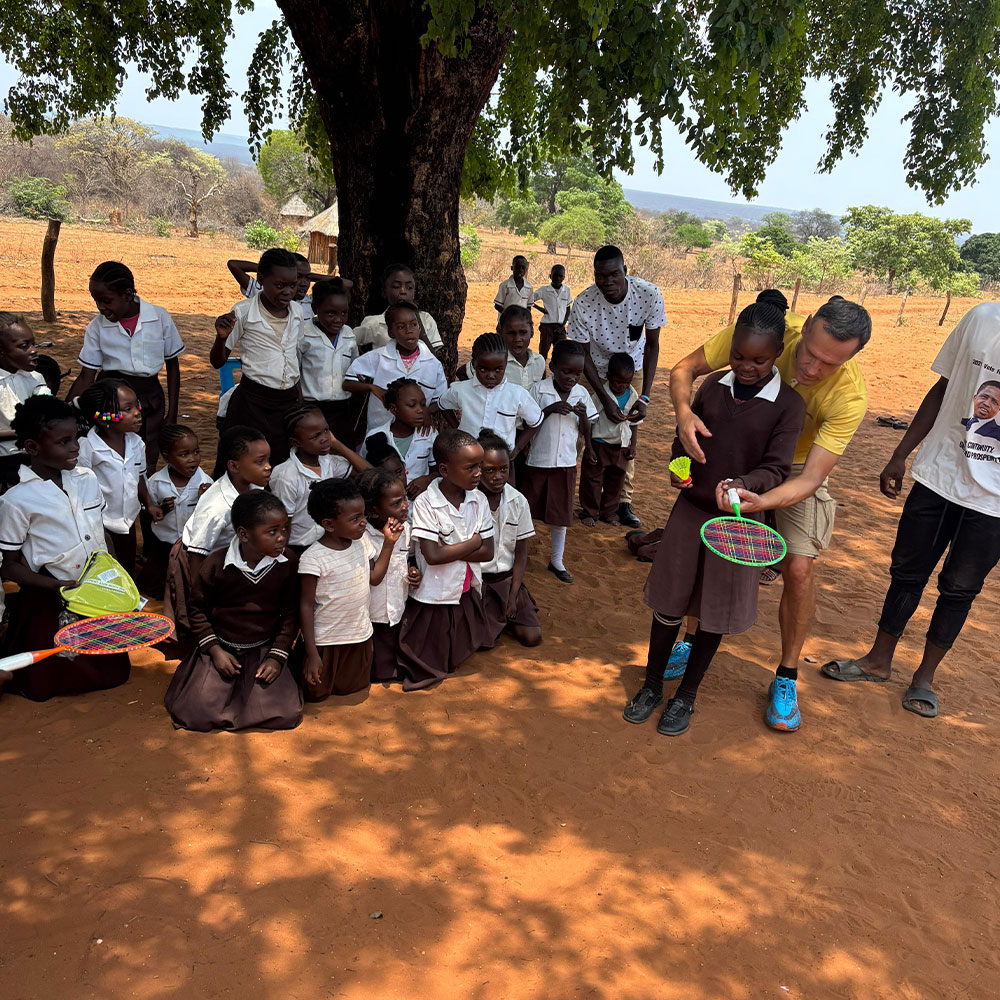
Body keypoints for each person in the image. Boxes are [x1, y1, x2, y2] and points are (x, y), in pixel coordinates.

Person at [671, 295, 871, 731]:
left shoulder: (850, 397)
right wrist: (684, 413)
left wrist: (763, 501)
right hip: (738, 450)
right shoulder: (768, 332)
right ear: (807, 326)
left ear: (852, 357)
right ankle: (689, 639)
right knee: (709, 540)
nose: (812, 370)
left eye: (829, 365)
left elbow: (810, 479)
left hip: (794, 468)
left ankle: (786, 674)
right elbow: (683, 370)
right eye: (810, 355)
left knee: (798, 569)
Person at [623, 302, 805, 734]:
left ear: (777, 352)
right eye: (739, 356)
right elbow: (683, 440)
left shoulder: (788, 406)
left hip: (738, 525)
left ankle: (686, 697)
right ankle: (651, 685)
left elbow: (777, 469)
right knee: (668, 606)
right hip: (690, 513)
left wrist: (743, 484)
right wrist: (678, 469)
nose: (746, 366)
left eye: (759, 359)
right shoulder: (711, 388)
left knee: (712, 613)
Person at [821, 302, 1000, 718]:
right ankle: (878, 661)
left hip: (993, 501)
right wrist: (901, 453)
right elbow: (942, 388)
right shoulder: (981, 318)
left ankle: (924, 677)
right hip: (940, 470)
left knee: (960, 588)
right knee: (907, 571)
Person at [0, 396, 130, 700]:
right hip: (49, 595)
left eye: (76, 439)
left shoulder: (87, 479)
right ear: (33, 447)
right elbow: (9, 565)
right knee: (49, 675)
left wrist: (111, 569)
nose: (75, 448)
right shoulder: (17, 500)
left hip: (94, 590)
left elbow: (100, 531)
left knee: (109, 670)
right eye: (64, 442)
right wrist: (56, 586)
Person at [164, 492, 304, 732]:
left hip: (263, 650)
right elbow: (196, 610)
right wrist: (215, 651)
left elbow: (291, 613)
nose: (282, 538)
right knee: (196, 713)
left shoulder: (287, 562)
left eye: (285, 529)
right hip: (222, 648)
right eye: (272, 532)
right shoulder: (217, 565)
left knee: (285, 713)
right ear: (243, 534)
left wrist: (276, 657)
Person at [567, 245, 665, 528]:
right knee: (578, 430)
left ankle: (623, 502)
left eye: (614, 274)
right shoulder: (584, 303)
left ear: (626, 271)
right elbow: (581, 354)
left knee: (625, 434)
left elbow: (653, 345)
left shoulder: (648, 294)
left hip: (629, 370)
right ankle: (571, 493)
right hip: (592, 371)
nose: (607, 282)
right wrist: (604, 397)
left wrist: (644, 396)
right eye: (600, 276)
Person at [396, 429, 496, 689]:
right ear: (444, 469)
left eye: (480, 466)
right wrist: (473, 542)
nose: (478, 473)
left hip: (465, 588)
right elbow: (432, 556)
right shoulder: (425, 503)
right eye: (470, 467)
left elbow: (488, 551)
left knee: (459, 646)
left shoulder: (479, 500)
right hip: (435, 592)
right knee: (429, 652)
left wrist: (450, 548)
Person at [66, 261, 184, 470]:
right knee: (110, 452)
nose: (101, 308)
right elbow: (87, 375)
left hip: (150, 398)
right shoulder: (96, 327)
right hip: (110, 399)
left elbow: (172, 366)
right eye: (96, 302)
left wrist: (172, 412)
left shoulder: (159, 317)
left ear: (127, 295)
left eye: (106, 301)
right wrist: (64, 412)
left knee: (146, 455)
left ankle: (140, 499)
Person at [299, 478, 403, 701]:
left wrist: (389, 544)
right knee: (318, 694)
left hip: (358, 636)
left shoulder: (361, 543)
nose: (364, 522)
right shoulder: (313, 559)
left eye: (363, 515)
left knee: (352, 690)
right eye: (355, 519)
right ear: (328, 524)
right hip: (326, 642)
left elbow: (374, 578)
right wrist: (312, 653)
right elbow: (306, 606)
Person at [167, 426, 271, 639]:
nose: (268, 467)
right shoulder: (218, 506)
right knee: (204, 615)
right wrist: (200, 595)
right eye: (260, 462)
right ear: (234, 466)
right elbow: (197, 553)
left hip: (226, 556)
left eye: (268, 460)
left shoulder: (254, 488)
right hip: (198, 560)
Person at [211, 248, 306, 469]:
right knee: (244, 464)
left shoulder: (298, 312)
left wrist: (299, 400)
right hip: (253, 402)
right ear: (261, 280)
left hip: (288, 403)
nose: (287, 292)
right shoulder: (244, 312)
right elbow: (217, 361)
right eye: (280, 285)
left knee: (280, 465)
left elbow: (292, 359)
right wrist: (220, 338)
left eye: (292, 286)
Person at [520, 340, 598, 584]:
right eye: (566, 371)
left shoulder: (582, 394)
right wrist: (550, 409)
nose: (572, 378)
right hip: (537, 461)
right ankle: (516, 556)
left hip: (565, 463)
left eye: (577, 373)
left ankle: (556, 560)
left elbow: (587, 429)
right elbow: (528, 424)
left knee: (560, 515)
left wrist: (583, 417)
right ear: (553, 366)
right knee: (526, 511)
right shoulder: (538, 390)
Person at [75, 378, 163, 577]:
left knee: (126, 565)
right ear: (103, 418)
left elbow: (140, 477)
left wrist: (148, 504)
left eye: (136, 405)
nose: (137, 412)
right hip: (100, 522)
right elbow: (79, 487)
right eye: (127, 408)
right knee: (103, 568)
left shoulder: (136, 443)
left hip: (128, 520)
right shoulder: (88, 447)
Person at [269, 404, 370, 552]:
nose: (324, 439)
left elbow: (370, 475)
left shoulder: (329, 462)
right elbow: (284, 523)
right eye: (315, 436)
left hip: (329, 543)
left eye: (326, 431)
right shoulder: (286, 475)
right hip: (299, 548)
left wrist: (338, 445)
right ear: (296, 442)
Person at [343, 300, 447, 436]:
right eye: (401, 326)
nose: (409, 331)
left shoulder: (433, 364)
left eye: (414, 325)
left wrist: (426, 411)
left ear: (420, 329)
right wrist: (371, 388)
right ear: (391, 332)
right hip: (380, 432)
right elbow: (348, 383)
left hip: (418, 434)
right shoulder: (377, 357)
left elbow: (441, 399)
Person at [477, 430, 542, 647]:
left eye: (503, 469)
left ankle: (504, 612)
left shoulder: (518, 501)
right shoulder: (470, 502)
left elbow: (521, 553)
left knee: (532, 638)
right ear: (477, 470)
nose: (498, 477)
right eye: (490, 470)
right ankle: (493, 619)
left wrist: (513, 595)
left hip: (507, 581)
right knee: (483, 643)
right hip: (479, 583)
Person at [437, 332, 543, 463]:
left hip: (501, 463)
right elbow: (443, 405)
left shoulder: (516, 394)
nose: (491, 375)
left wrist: (517, 448)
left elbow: (536, 420)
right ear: (474, 364)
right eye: (483, 370)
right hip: (468, 460)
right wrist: (458, 429)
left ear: (506, 365)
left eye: (498, 370)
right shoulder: (461, 390)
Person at [359, 467, 421, 682]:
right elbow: (373, 579)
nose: (405, 506)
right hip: (372, 617)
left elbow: (408, 559)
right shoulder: (362, 538)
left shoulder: (407, 530)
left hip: (398, 611)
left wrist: (414, 572)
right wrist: (388, 542)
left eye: (404, 499)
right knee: (378, 673)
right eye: (396, 503)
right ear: (375, 511)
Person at [141, 424, 213, 598]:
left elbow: (211, 517)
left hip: (192, 546)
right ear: (167, 457)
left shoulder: (206, 482)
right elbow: (148, 511)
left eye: (196, 452)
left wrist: (205, 500)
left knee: (191, 587)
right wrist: (161, 509)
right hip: (164, 544)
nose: (193, 459)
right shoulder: (156, 482)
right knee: (154, 588)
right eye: (184, 454)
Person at [298, 277, 366, 449]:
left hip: (343, 408)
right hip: (312, 406)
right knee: (315, 449)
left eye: (344, 313)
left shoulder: (349, 334)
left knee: (342, 450)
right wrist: (300, 406)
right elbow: (295, 373)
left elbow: (354, 366)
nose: (338, 319)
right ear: (315, 308)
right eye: (331, 313)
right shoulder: (304, 336)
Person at [579, 352, 641, 526]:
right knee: (593, 479)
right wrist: (589, 447)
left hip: (621, 447)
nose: (622, 386)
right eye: (618, 382)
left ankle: (609, 512)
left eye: (626, 383)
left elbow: (635, 422)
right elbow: (590, 421)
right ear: (608, 376)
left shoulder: (633, 395)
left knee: (616, 481)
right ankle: (589, 511)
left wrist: (633, 444)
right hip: (600, 445)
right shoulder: (600, 396)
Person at [361, 378, 437, 500]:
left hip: (422, 504)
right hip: (386, 505)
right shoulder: (375, 435)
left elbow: (439, 470)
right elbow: (364, 471)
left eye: (423, 404)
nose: (420, 410)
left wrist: (427, 479)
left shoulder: (429, 434)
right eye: (412, 405)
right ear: (393, 409)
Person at [0, 313, 50, 491]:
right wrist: (24, 432)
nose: (33, 350)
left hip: (30, 460)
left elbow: (45, 415)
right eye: (24, 346)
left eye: (33, 343)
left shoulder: (35, 378)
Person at [355, 263, 444, 353]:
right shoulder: (374, 323)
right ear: (384, 292)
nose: (403, 291)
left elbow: (433, 359)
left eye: (409, 287)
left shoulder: (426, 319)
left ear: (414, 292)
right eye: (396, 286)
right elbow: (350, 341)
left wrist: (418, 322)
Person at [459, 305, 547, 393]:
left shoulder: (539, 361)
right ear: (501, 333)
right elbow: (462, 373)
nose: (517, 339)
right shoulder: (495, 359)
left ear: (531, 332)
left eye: (523, 332)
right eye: (511, 333)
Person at [534, 264, 573, 360]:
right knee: (543, 351)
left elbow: (568, 308)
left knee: (562, 352)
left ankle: (557, 373)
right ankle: (541, 374)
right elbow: (529, 299)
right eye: (555, 275)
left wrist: (563, 325)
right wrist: (541, 309)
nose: (558, 278)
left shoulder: (566, 290)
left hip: (560, 327)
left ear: (564, 277)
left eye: (561, 276)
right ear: (550, 276)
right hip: (547, 326)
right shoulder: (544, 290)